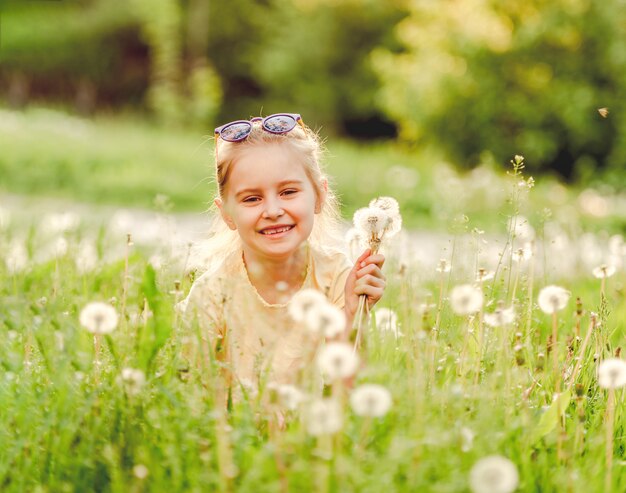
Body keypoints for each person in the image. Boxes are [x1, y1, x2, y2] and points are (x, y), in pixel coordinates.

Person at [180, 113, 386, 399]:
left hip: (311, 437)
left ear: (319, 194)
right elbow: (191, 394)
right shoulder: (212, 293)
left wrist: (353, 313)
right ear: (226, 213)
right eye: (252, 199)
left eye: (288, 192)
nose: (273, 210)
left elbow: (348, 390)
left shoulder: (336, 276)